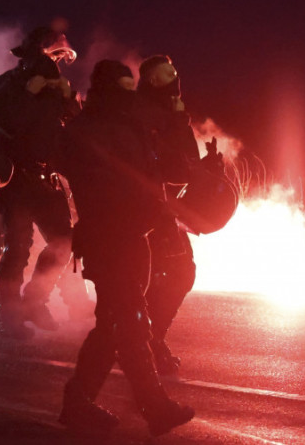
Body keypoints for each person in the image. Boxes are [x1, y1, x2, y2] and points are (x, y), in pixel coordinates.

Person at [57, 60, 194, 438]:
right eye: (119, 87)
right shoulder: (84, 131)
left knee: (112, 325)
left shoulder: (132, 126)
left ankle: (78, 402)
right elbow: (105, 187)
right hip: (108, 239)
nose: (125, 95)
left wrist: (178, 123)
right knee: (132, 322)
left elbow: (170, 172)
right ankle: (156, 408)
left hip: (135, 237)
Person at [0, 40, 82, 340]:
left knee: (63, 241)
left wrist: (70, 100)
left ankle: (34, 301)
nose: (55, 63)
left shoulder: (54, 88)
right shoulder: (5, 86)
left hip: (46, 178)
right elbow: (9, 123)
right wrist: (29, 93)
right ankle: (9, 316)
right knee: (17, 248)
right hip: (15, 178)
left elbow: (76, 130)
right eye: (50, 55)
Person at [137, 55, 202, 376]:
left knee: (171, 274)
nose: (174, 78)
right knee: (166, 275)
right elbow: (173, 166)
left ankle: (146, 341)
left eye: (174, 72)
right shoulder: (144, 114)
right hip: (147, 210)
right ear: (151, 81)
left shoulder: (170, 113)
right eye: (166, 74)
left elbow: (189, 161)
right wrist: (178, 123)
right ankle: (144, 344)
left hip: (164, 210)